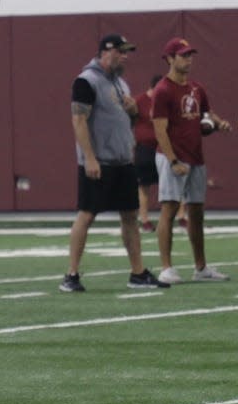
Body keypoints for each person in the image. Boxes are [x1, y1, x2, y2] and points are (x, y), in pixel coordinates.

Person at [59, 34, 167, 293]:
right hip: (99, 161)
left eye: (127, 52)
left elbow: (125, 121)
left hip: (122, 161)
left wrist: (132, 112)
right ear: (106, 52)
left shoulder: (121, 84)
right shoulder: (86, 81)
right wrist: (90, 158)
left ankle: (138, 273)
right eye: (121, 52)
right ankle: (71, 275)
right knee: (86, 214)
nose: (125, 56)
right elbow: (79, 121)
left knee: (130, 215)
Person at [152, 37, 232, 284]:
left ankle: (201, 268)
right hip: (172, 157)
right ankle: (166, 268)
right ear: (169, 58)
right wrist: (173, 159)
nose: (188, 59)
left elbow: (206, 113)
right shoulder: (163, 90)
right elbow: (159, 129)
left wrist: (219, 123)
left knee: (196, 212)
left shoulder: (197, 87)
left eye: (190, 55)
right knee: (169, 208)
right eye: (183, 55)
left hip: (196, 156)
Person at [132, 74, 161, 232]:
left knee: (171, 183)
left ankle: (179, 216)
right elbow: (131, 120)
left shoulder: (164, 102)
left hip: (162, 148)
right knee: (144, 185)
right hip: (144, 149)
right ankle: (144, 219)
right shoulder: (140, 101)